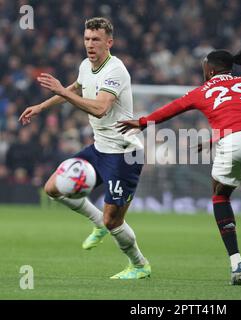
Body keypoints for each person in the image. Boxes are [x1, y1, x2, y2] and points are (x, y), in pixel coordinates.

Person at [118, 42, 241, 287]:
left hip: (236, 139)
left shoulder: (202, 90)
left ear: (211, 70)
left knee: (220, 196)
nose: (203, 72)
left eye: (204, 68)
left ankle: (237, 264)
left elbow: (171, 109)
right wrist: (216, 137)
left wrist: (142, 122)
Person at [19, 17, 151, 280]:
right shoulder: (85, 65)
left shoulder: (116, 70)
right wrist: (42, 107)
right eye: (87, 39)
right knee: (52, 188)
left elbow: (101, 109)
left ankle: (139, 265)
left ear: (109, 42)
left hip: (125, 152)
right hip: (100, 148)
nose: (90, 44)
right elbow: (74, 87)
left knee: (113, 220)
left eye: (96, 40)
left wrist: (63, 92)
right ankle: (96, 223)